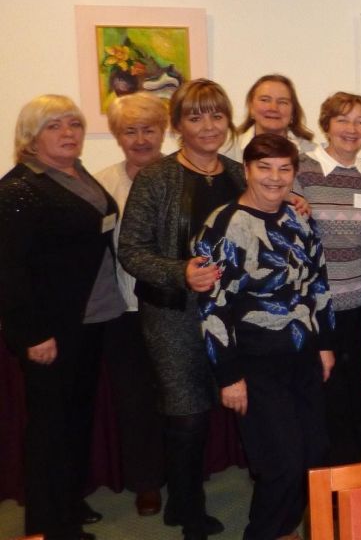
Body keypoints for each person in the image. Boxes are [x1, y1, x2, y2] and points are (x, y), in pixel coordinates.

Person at [118, 79, 245, 540]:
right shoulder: (157, 176)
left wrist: (294, 202)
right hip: (173, 315)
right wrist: (180, 272)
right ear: (177, 126)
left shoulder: (240, 173)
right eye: (195, 117)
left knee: (215, 404)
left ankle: (179, 502)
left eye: (216, 115)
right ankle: (189, 511)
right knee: (187, 413)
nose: (208, 126)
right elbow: (131, 250)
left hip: (230, 314)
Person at [195, 133, 334, 540]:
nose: (275, 177)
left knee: (314, 454)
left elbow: (318, 282)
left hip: (303, 355)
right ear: (247, 170)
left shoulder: (297, 218)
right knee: (281, 463)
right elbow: (212, 306)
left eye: (284, 169)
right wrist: (228, 375)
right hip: (255, 362)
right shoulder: (224, 225)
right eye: (264, 167)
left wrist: (325, 343)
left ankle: (285, 529)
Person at [0, 94, 126, 540]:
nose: (68, 133)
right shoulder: (19, 189)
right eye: (54, 126)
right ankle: (49, 526)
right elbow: (9, 271)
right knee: (50, 428)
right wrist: (32, 334)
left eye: (74, 124)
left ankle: (68, 502)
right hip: (50, 329)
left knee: (75, 419)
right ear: (30, 137)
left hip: (88, 319)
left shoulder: (75, 172)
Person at [94, 92, 168, 517]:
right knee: (135, 401)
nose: (141, 139)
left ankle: (183, 473)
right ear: (118, 136)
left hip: (177, 310)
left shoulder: (183, 175)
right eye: (130, 131)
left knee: (178, 398)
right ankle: (146, 482)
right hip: (124, 311)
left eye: (149, 129)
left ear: (164, 131)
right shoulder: (101, 184)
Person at [294, 92, 361, 465]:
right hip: (315, 304)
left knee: (356, 391)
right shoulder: (301, 170)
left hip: (360, 300)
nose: (351, 128)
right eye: (342, 119)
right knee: (322, 392)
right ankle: (323, 473)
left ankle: (354, 469)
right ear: (326, 124)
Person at [230, 74, 316, 161]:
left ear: (293, 111)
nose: (273, 108)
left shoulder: (313, 154)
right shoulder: (230, 152)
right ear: (251, 107)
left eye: (282, 102)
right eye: (265, 100)